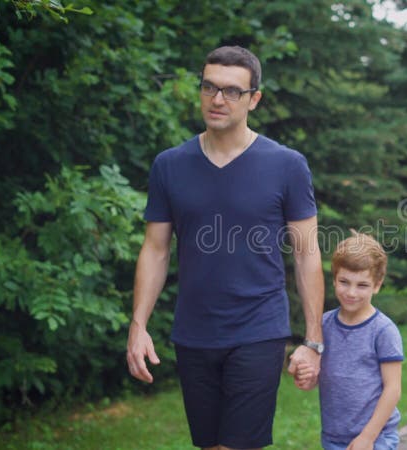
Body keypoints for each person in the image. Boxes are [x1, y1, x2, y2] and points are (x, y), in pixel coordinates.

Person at [125, 45, 325, 450]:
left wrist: (313, 341)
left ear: (254, 99)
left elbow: (306, 254)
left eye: (232, 91)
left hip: (259, 326)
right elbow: (156, 250)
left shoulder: (286, 165)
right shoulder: (170, 165)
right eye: (209, 87)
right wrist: (138, 325)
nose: (218, 100)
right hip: (194, 331)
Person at [291, 232, 404, 450]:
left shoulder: (383, 331)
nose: (351, 292)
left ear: (377, 284)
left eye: (362, 285)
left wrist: (368, 437)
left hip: (375, 438)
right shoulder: (322, 326)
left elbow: (393, 389)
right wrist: (307, 378)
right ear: (334, 278)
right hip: (333, 437)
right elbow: (320, 374)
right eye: (344, 282)